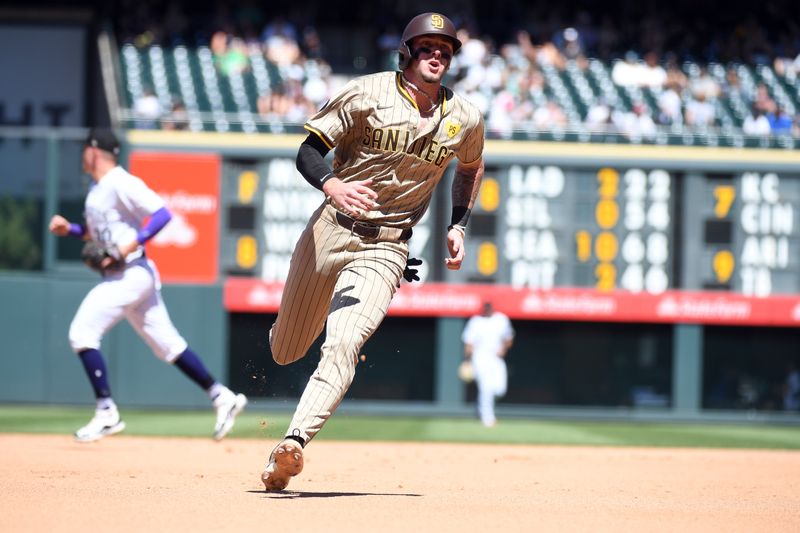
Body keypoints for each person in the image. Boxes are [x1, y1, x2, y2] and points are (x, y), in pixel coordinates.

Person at [259, 12, 485, 491]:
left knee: (343, 343)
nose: (436, 55)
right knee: (286, 350)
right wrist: (332, 183)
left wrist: (458, 224)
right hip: (330, 229)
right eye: (426, 47)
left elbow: (471, 167)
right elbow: (308, 149)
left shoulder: (463, 117)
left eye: (444, 50)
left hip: (387, 246)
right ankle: (290, 330)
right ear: (406, 53)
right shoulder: (366, 92)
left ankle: (293, 443)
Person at [48, 129, 247, 442]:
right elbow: (98, 233)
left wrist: (131, 245)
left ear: (94, 151)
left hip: (131, 273)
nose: (82, 154)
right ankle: (222, 396)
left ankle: (106, 412)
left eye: (85, 148)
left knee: (82, 333)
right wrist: (70, 229)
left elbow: (162, 214)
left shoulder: (120, 181)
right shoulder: (97, 188)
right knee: (168, 346)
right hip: (126, 276)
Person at [461, 301, 515, 427]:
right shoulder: (476, 321)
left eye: (489, 307)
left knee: (500, 390)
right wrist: (467, 361)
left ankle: (480, 405)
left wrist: (504, 348)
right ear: (483, 309)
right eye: (486, 308)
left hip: (496, 357)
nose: (488, 309)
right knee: (486, 388)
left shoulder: (501, 319)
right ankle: (487, 418)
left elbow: (509, 338)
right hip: (480, 357)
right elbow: (469, 343)